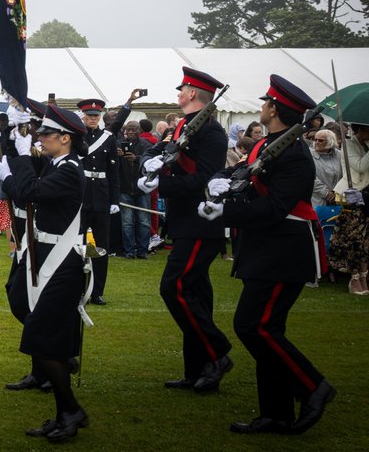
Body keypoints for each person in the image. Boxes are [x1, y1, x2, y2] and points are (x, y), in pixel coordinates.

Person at [200, 75, 336, 434]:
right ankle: (276, 413)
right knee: (265, 328)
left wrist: (225, 213)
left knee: (254, 325)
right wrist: (220, 179)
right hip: (267, 247)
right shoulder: (272, 144)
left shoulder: (293, 154)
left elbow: (275, 207)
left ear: (274, 109)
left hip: (284, 248)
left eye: (265, 103)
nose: (262, 107)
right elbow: (241, 171)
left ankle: (313, 387)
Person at [0, 103, 91, 442]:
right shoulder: (57, 164)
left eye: (46, 134)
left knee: (40, 335)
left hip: (62, 263)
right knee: (26, 308)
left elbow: (28, 190)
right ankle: (65, 403)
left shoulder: (68, 170)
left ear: (65, 138)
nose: (39, 138)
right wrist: (7, 133)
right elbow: (27, 168)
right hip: (45, 254)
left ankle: (70, 409)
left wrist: (9, 172)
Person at [140, 67, 233, 394]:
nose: (178, 93)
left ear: (193, 93)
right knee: (196, 294)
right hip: (182, 222)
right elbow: (155, 152)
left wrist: (160, 184)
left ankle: (217, 353)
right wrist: (147, 166)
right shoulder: (181, 126)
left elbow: (201, 180)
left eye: (182, 89)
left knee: (174, 287)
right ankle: (198, 371)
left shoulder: (211, 133)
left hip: (199, 223)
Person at [76, 92, 138, 305]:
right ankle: (77, 288)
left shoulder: (108, 139)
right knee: (78, 243)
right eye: (89, 115)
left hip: (101, 197)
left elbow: (114, 172)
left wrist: (114, 200)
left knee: (101, 246)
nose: (93, 118)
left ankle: (96, 291)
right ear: (82, 116)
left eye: (96, 115)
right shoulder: (76, 137)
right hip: (82, 196)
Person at [329, 123, 369, 294]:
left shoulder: (365, 145)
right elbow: (359, 166)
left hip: (364, 194)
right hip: (348, 195)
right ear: (359, 130)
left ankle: (364, 275)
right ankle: (354, 278)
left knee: (364, 239)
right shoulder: (348, 145)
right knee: (353, 238)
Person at [117, 121, 152, 258]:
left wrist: (136, 158)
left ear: (139, 131)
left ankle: (143, 250)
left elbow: (152, 159)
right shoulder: (119, 144)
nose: (130, 132)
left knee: (144, 221)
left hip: (142, 189)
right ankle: (129, 251)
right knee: (127, 222)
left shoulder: (145, 144)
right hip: (124, 188)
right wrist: (117, 155)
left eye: (133, 129)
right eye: (128, 129)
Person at [309, 129, 344, 206]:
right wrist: (327, 194)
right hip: (317, 200)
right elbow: (311, 178)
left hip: (338, 198)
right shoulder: (309, 155)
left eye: (321, 140)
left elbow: (344, 175)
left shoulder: (339, 154)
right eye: (315, 139)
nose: (317, 142)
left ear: (330, 142)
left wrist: (337, 192)